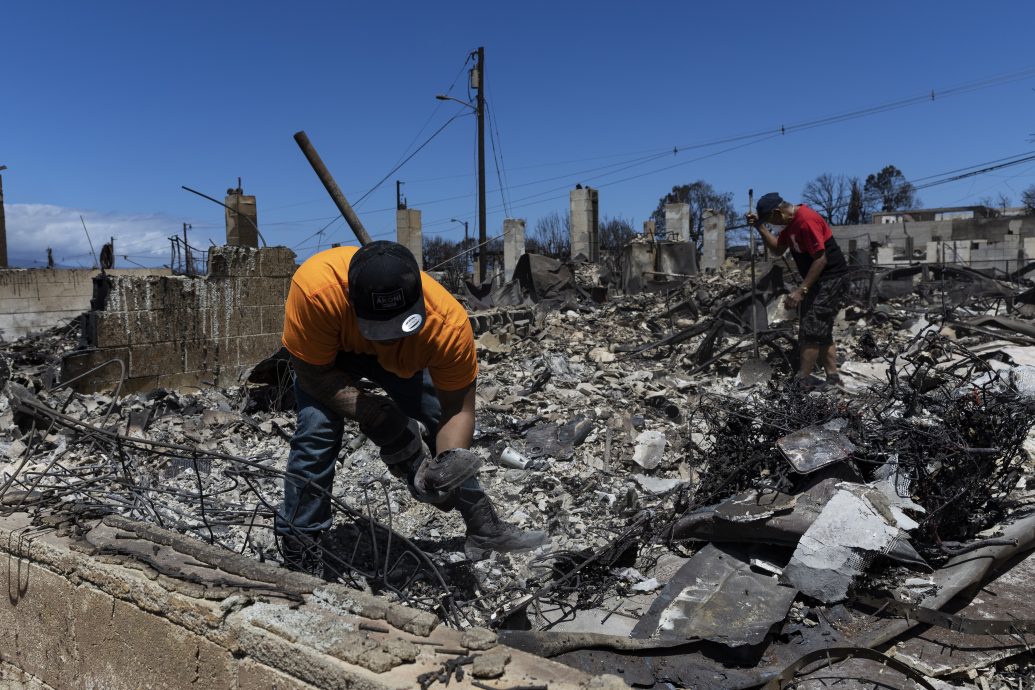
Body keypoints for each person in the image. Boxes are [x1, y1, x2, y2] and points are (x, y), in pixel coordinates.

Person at [276, 240, 547, 575]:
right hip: (329, 358)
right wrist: (378, 417)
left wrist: (443, 473)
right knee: (317, 430)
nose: (390, 339)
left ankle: (484, 528)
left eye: (400, 327)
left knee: (437, 418)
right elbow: (312, 375)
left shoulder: (446, 325)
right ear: (350, 301)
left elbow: (457, 410)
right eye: (382, 330)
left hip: (406, 362)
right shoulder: (317, 290)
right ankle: (300, 547)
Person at [747, 193, 849, 390]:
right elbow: (778, 249)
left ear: (777, 212)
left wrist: (801, 290)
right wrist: (760, 227)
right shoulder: (790, 224)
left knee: (811, 329)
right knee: (820, 329)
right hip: (819, 281)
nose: (772, 224)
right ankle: (833, 378)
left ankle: (802, 381)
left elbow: (821, 259)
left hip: (832, 279)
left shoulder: (806, 220)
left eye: (770, 220)